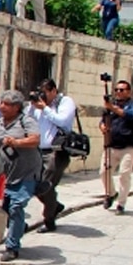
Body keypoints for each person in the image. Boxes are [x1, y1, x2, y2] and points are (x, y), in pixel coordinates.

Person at [0, 90, 41, 262]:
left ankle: (12, 247)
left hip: (25, 173)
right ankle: (19, 227)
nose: (2, 106)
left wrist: (16, 142)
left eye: (7, 104)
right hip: (5, 175)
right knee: (3, 208)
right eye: (2, 103)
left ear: (17, 107)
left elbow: (35, 140)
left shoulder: (26, 121)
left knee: (16, 207)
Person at [27, 79, 77, 232]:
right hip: (38, 151)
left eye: (45, 92)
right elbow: (28, 119)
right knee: (34, 185)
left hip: (56, 151)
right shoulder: (39, 105)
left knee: (46, 185)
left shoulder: (65, 102)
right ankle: (55, 205)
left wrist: (45, 109)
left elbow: (62, 121)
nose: (43, 96)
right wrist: (32, 105)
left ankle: (49, 220)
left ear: (54, 91)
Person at [99, 79, 133, 215]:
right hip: (112, 145)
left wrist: (112, 107)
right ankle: (111, 193)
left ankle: (121, 204)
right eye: (116, 90)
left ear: (128, 92)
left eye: (122, 90)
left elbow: (130, 116)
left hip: (128, 146)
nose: (118, 92)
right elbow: (103, 120)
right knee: (103, 172)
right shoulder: (111, 106)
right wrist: (103, 127)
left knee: (124, 174)